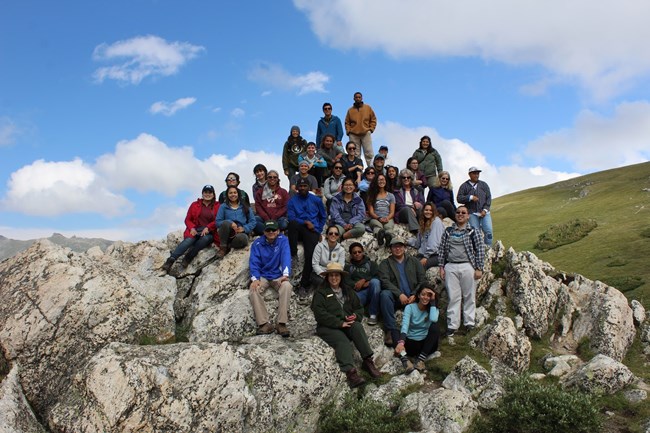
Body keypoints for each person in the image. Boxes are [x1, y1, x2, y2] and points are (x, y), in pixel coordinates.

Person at [311, 262, 382, 388]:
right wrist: (340, 323)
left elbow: (359, 308)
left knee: (357, 327)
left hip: (346, 324)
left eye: (336, 275)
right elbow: (319, 314)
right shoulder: (321, 293)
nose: (334, 278)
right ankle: (351, 373)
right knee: (342, 340)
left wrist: (355, 316)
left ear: (341, 277)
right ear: (327, 277)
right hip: (327, 327)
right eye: (331, 275)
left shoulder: (348, 291)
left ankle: (368, 361)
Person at [438, 205, 485, 337]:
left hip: (467, 266)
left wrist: (479, 268)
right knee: (453, 297)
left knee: (469, 295)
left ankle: (469, 323)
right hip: (451, 266)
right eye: (458, 212)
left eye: (463, 212)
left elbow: (480, 250)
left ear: (468, 215)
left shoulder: (473, 231)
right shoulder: (448, 231)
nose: (460, 214)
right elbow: (441, 249)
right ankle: (452, 326)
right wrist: (442, 267)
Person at [379, 237, 427, 346]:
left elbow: (422, 279)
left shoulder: (414, 261)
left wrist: (415, 294)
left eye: (400, 246)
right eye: (394, 246)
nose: (397, 249)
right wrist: (399, 294)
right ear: (390, 249)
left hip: (414, 297)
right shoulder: (385, 264)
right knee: (385, 295)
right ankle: (391, 331)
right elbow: (384, 281)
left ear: (404, 248)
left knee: (429, 294)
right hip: (397, 298)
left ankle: (428, 331)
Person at [249, 220, 293, 337]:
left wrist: (285, 275)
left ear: (278, 231)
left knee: (287, 286)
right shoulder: (257, 243)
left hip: (278, 275)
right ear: (264, 232)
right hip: (263, 275)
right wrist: (255, 279)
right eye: (268, 230)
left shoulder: (283, 240)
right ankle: (264, 324)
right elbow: (254, 262)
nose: (271, 232)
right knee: (254, 289)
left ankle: (281, 323)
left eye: (274, 230)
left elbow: (286, 256)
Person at [161, 185, 220, 271]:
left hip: (209, 231)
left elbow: (218, 220)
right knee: (189, 240)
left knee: (205, 239)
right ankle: (171, 260)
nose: (207, 194)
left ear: (213, 194)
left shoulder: (218, 205)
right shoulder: (194, 204)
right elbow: (187, 219)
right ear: (202, 194)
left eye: (210, 192)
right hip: (196, 229)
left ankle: (188, 257)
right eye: (205, 192)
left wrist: (208, 227)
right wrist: (192, 228)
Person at [287, 178, 327, 299]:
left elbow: (323, 216)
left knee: (310, 255)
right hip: (299, 228)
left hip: (312, 230)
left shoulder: (316, 200)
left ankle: (304, 285)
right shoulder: (292, 201)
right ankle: (293, 253)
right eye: (301, 186)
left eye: (305, 186)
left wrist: (318, 229)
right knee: (292, 224)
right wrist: (305, 222)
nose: (303, 188)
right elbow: (291, 217)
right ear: (297, 188)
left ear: (309, 187)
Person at [394, 285, 440, 373]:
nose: (425, 297)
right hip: (411, 343)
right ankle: (405, 360)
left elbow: (434, 319)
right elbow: (405, 325)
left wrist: (433, 301)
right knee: (395, 332)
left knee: (435, 327)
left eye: (429, 295)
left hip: (425, 345)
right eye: (423, 294)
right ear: (418, 295)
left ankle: (420, 360)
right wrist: (401, 343)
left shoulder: (433, 309)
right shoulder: (410, 307)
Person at [343, 243, 381, 326]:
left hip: (371, 289)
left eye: (359, 252)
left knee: (375, 282)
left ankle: (373, 314)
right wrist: (356, 284)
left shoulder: (371, 264)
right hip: (357, 292)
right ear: (351, 254)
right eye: (354, 252)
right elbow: (346, 281)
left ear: (363, 252)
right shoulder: (348, 267)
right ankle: (362, 312)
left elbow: (378, 276)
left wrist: (365, 280)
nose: (357, 254)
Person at [215, 186, 256, 257]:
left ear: (238, 194)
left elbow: (253, 221)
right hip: (226, 233)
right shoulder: (223, 206)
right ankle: (223, 248)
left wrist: (244, 228)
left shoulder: (245, 206)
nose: (233, 195)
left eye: (235, 192)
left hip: (239, 233)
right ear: (227, 195)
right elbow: (218, 222)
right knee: (225, 223)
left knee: (243, 239)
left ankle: (229, 246)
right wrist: (230, 223)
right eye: (230, 193)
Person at [456, 167, 492, 247]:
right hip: (472, 213)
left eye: (477, 173)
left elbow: (489, 198)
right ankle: (477, 249)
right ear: (469, 174)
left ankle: (489, 249)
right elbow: (459, 198)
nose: (476, 175)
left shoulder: (484, 185)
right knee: (475, 233)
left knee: (489, 231)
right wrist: (470, 197)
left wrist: (485, 210)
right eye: (474, 173)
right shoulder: (464, 186)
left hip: (485, 212)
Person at [407, 202, 445, 270]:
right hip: (423, 254)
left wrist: (426, 257)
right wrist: (407, 241)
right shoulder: (423, 223)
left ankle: (421, 281)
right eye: (426, 210)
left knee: (420, 267)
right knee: (409, 265)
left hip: (435, 255)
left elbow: (434, 243)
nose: (428, 212)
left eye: (430, 210)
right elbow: (418, 244)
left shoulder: (436, 222)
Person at [345, 92, 377, 167]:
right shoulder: (350, 110)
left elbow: (373, 119)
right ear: (354, 99)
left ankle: (371, 170)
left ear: (362, 98)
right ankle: (357, 171)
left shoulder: (368, 108)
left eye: (359, 97)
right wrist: (348, 131)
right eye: (356, 97)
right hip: (354, 134)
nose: (358, 98)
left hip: (365, 133)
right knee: (355, 154)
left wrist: (371, 129)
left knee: (369, 153)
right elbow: (347, 122)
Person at [253, 170, 289, 235]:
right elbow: (258, 206)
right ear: (267, 178)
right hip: (264, 219)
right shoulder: (260, 192)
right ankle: (275, 231)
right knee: (254, 220)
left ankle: (267, 231)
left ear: (278, 179)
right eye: (270, 177)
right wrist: (266, 217)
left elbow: (285, 206)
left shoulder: (283, 192)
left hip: (278, 218)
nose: (272, 178)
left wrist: (275, 216)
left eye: (275, 177)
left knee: (284, 223)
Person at [311, 224, 347, 290]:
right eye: (331, 233)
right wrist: (324, 275)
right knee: (324, 284)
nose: (333, 235)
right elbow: (315, 264)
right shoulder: (319, 246)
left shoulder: (341, 250)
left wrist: (333, 277)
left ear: (338, 236)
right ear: (327, 235)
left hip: (334, 274)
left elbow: (341, 266)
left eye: (336, 234)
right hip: (319, 274)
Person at [366, 173, 396, 247]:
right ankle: (380, 237)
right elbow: (371, 211)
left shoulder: (391, 195)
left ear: (386, 181)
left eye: (383, 179)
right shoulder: (371, 195)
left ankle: (389, 238)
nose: (381, 181)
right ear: (376, 182)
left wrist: (387, 218)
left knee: (388, 227)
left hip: (387, 217)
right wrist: (378, 218)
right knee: (377, 227)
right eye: (379, 180)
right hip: (376, 217)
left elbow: (392, 211)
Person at [394, 169, 425, 233]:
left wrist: (418, 203)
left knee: (421, 207)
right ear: (401, 179)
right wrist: (410, 208)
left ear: (411, 179)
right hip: (402, 213)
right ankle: (416, 230)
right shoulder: (397, 191)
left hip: (415, 211)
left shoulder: (417, 191)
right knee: (407, 209)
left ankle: (424, 228)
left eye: (408, 177)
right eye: (403, 177)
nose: (406, 179)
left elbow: (422, 202)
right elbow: (398, 205)